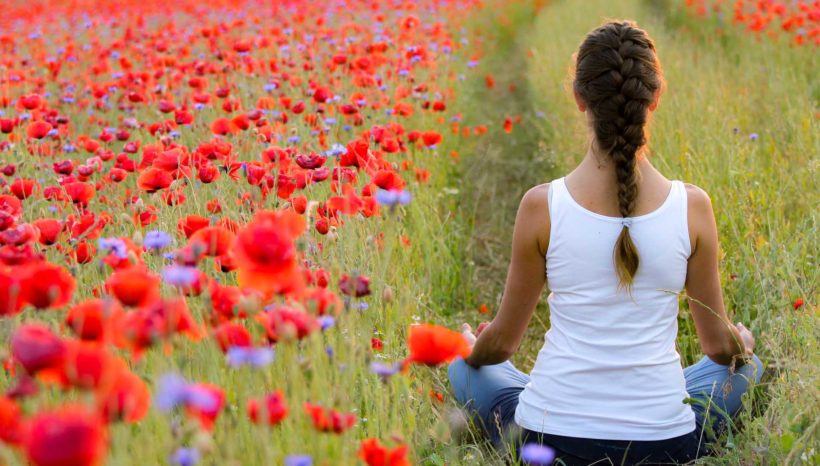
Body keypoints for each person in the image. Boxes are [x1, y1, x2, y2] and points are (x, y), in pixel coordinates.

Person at [447, 19, 764, 465]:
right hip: (664, 445)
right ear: (654, 97)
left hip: (548, 439)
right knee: (746, 370)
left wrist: (471, 347)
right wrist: (741, 344)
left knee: (466, 368)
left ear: (579, 97)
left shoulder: (542, 206)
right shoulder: (692, 207)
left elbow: (500, 344)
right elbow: (717, 346)